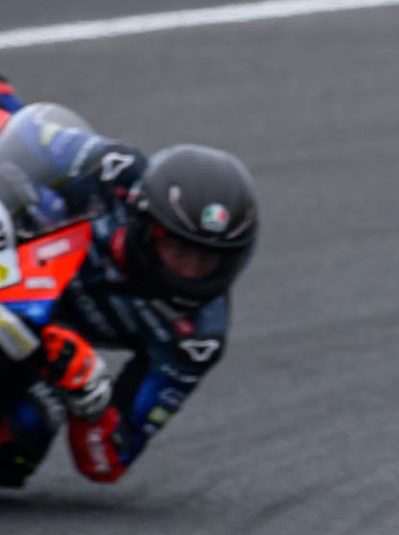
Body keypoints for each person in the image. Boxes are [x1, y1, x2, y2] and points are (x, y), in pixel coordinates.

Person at [0, 83, 259, 488]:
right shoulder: (113, 172)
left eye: (207, 261)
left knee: (26, 433)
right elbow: (29, 131)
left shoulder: (195, 336)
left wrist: (91, 398)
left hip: (35, 344)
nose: (189, 271)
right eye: (178, 249)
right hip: (10, 257)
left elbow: (108, 459)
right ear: (145, 225)